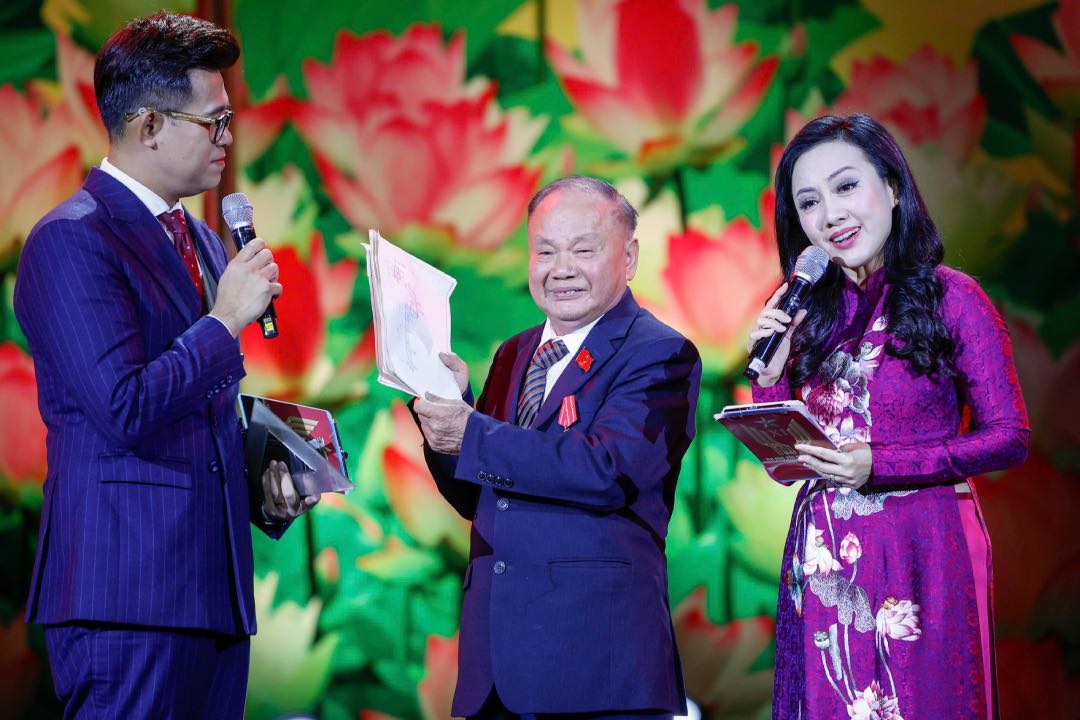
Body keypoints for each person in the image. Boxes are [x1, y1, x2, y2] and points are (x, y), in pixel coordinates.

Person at [14, 12, 318, 718]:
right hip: (128, 594)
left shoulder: (205, 242)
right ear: (148, 125)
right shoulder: (72, 240)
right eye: (212, 123)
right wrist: (223, 321)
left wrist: (265, 465)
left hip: (213, 593)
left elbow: (195, 404)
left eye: (229, 120)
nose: (228, 140)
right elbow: (123, 407)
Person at [747, 114, 1029, 719]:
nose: (830, 215)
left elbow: (1009, 438)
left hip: (924, 546)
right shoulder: (804, 313)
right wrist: (767, 380)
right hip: (824, 560)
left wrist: (880, 464)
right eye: (809, 201)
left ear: (893, 188)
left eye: (847, 187)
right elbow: (786, 468)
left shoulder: (952, 297)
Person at [413, 176, 701, 719]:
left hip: (595, 669)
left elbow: (605, 469)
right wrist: (442, 413)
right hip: (493, 672)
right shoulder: (513, 353)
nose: (560, 268)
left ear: (630, 256)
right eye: (544, 250)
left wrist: (471, 432)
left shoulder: (660, 353)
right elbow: (485, 498)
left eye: (583, 249)